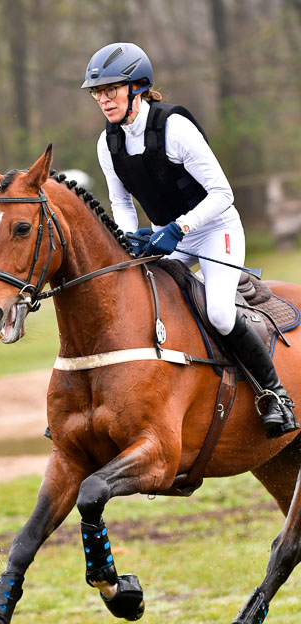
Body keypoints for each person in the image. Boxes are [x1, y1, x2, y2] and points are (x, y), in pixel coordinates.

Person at [81, 41, 298, 439]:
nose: (103, 99)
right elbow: (120, 201)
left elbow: (222, 194)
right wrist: (131, 239)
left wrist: (178, 229)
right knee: (135, 304)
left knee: (217, 311)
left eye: (111, 89)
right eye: (98, 92)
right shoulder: (107, 143)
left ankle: (274, 395)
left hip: (215, 230)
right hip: (170, 238)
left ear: (138, 87)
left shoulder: (174, 127)